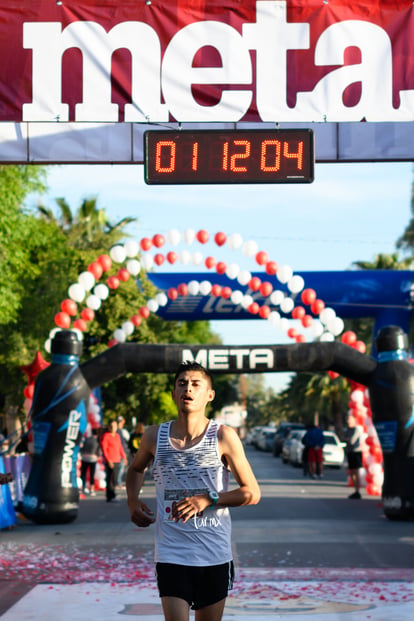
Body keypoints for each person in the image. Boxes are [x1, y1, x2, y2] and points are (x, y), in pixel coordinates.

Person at [126, 361, 261, 621]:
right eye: (182, 383)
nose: (188, 388)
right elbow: (135, 469)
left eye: (196, 384)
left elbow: (252, 492)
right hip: (171, 552)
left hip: (213, 554)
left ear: (209, 395)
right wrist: (133, 501)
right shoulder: (154, 436)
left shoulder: (223, 436)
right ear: (174, 393)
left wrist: (209, 499)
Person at [101, 420, 128, 502]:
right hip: (110, 460)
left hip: (117, 459)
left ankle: (113, 494)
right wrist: (108, 460)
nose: (113, 428)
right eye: (111, 426)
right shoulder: (106, 436)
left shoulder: (117, 435)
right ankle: (110, 495)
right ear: (109, 427)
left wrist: (124, 457)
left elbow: (120, 447)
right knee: (110, 479)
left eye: (115, 426)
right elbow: (104, 449)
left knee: (115, 478)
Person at [345, 414, 363, 499]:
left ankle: (357, 491)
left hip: (356, 452)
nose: (348, 421)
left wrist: (347, 439)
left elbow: (351, 441)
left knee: (356, 471)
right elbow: (343, 438)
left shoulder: (356, 430)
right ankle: (355, 491)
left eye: (349, 419)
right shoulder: (348, 430)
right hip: (350, 452)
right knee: (351, 472)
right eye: (347, 419)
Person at [80, 429, 100, 496]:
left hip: (84, 457)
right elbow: (98, 450)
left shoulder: (87, 439)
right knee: (92, 474)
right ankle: (92, 489)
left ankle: (83, 487)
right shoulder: (97, 440)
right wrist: (98, 456)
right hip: (93, 458)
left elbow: (82, 448)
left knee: (83, 473)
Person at [116, 416, 130, 486]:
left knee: (121, 467)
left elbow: (128, 439)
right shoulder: (116, 431)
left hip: (122, 451)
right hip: (118, 451)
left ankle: (118, 481)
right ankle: (118, 482)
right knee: (120, 467)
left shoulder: (123, 431)